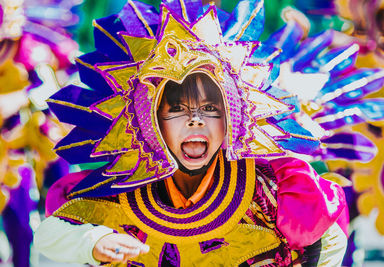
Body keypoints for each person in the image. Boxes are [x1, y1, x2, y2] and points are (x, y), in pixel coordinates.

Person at [34, 0, 348, 266]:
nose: (196, 121)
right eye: (177, 109)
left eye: (211, 109)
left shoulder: (261, 188)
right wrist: (94, 241)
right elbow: (51, 233)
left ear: (230, 120)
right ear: (151, 122)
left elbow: (329, 238)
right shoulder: (125, 188)